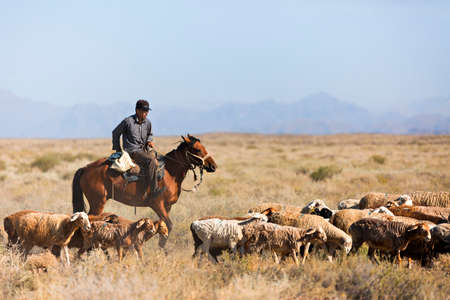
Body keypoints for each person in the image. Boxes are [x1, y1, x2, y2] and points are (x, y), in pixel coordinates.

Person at [112, 99, 161, 197]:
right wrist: (118, 150)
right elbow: (115, 132)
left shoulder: (148, 122)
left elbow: (150, 134)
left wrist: (149, 141)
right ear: (137, 110)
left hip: (143, 150)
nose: (146, 113)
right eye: (144, 111)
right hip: (132, 150)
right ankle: (153, 191)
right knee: (151, 161)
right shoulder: (128, 121)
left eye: (147, 111)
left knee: (159, 160)